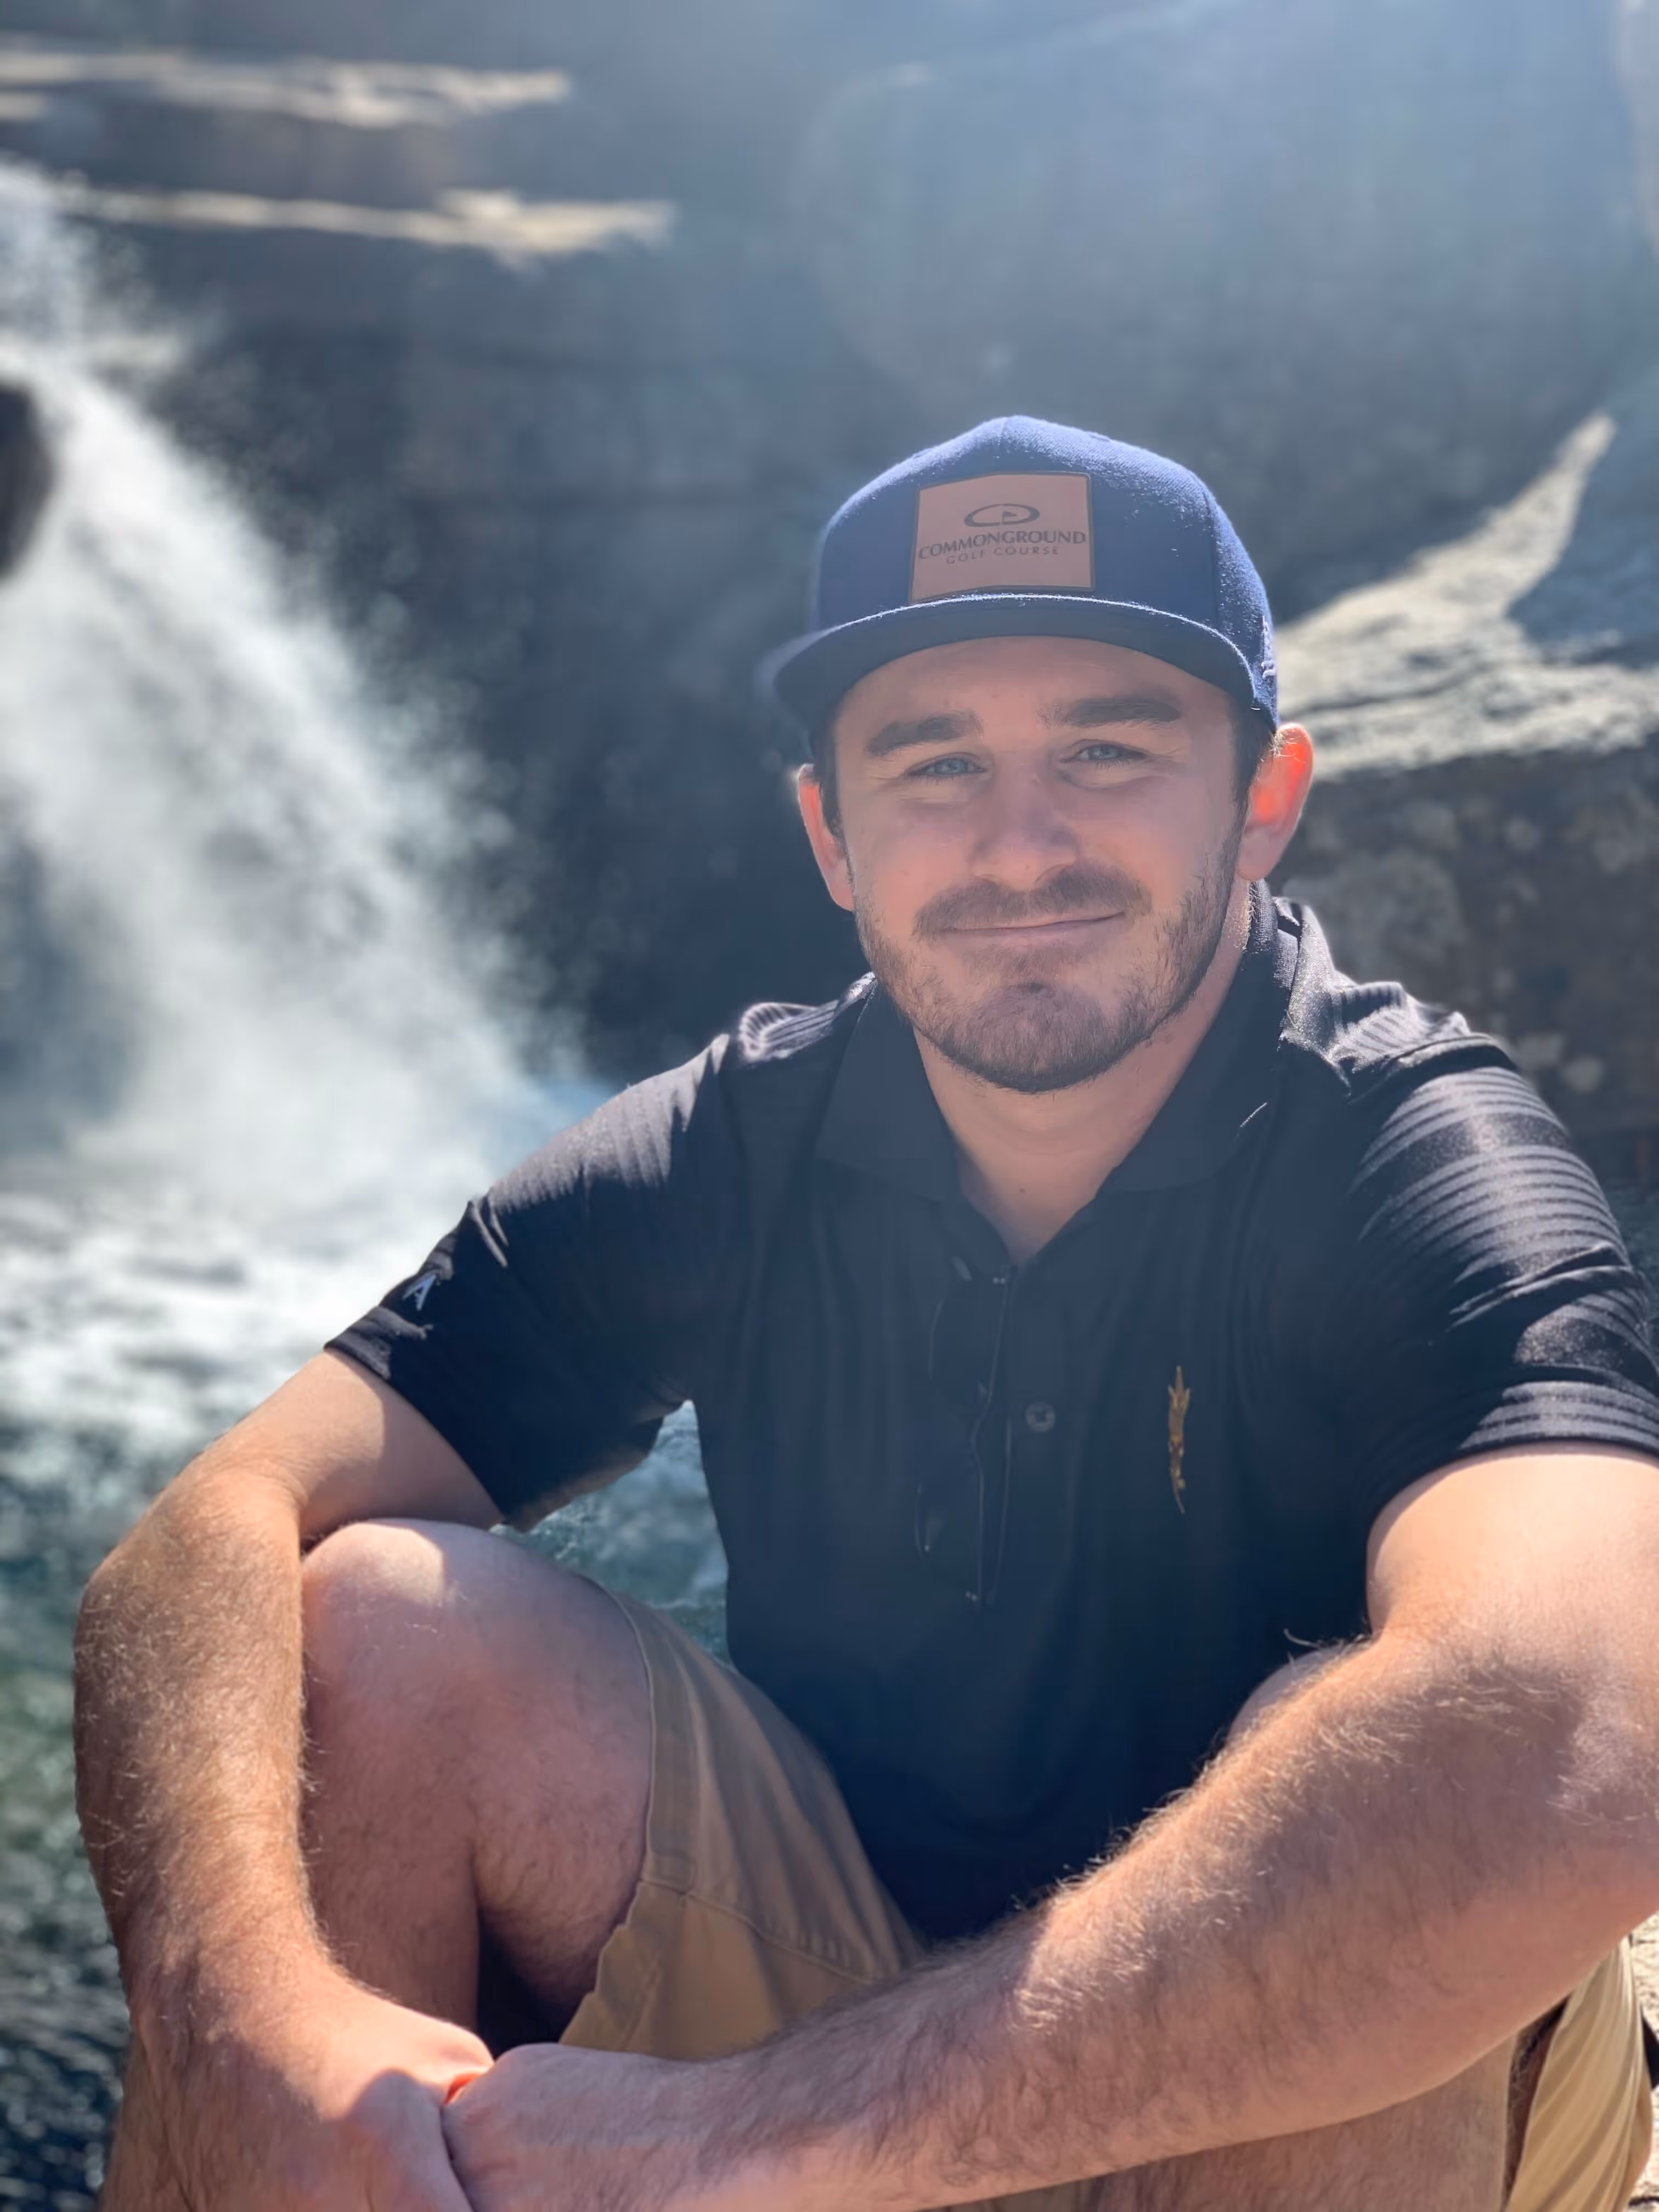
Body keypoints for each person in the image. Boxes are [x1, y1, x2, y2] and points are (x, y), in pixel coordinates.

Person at [77, 417, 1659, 2212]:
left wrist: (740, 2138)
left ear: (1265, 798)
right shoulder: (739, 1143)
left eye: (1109, 748)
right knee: (377, 1625)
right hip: (859, 1979)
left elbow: (1583, 1730)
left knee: (1359, 1819)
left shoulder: (1410, 1154)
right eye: (933, 764)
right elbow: (203, 1530)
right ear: (831, 833)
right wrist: (233, 2022)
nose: (1020, 845)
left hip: (1318, 2106)